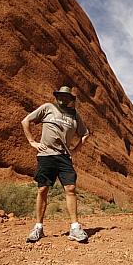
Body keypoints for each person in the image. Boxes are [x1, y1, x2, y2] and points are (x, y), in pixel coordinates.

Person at [21, 86, 90, 243]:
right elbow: (26, 121)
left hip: (64, 157)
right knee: (43, 189)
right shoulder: (48, 108)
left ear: (70, 100)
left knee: (71, 189)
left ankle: (74, 227)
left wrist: (74, 151)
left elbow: (85, 134)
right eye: (61, 96)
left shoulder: (74, 115)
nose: (63, 98)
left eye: (66, 97)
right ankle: (38, 228)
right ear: (57, 97)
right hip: (46, 155)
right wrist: (32, 141)